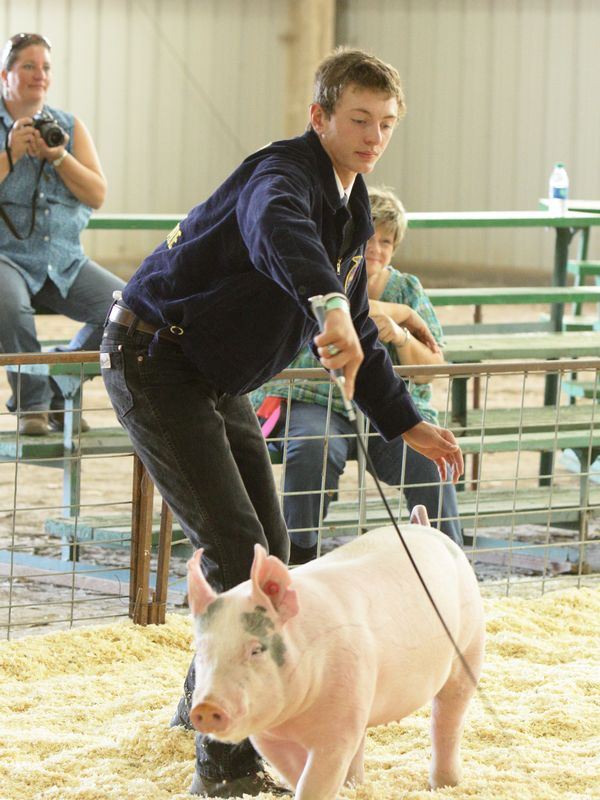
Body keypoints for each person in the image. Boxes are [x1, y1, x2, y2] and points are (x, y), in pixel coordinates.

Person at [100, 47, 464, 798]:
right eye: (358, 119)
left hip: (216, 377)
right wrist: (326, 302)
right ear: (319, 117)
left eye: (386, 124)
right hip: (154, 358)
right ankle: (224, 765)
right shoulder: (281, 176)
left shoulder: (353, 202)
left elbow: (356, 309)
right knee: (237, 548)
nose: (373, 136)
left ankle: (199, 702)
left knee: (273, 555)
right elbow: (280, 234)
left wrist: (402, 421)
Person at [252, 186, 462, 563]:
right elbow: (337, 309)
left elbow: (432, 368)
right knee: (312, 449)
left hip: (389, 405)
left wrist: (398, 330)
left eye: (386, 241)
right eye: (369, 238)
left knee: (430, 459)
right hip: (315, 399)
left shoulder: (407, 287)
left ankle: (449, 560)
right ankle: (296, 560)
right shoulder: (319, 273)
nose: (376, 249)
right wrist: (399, 312)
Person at [0, 32, 124, 435]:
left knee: (126, 311)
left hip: (63, 258)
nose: (40, 75)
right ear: (6, 75)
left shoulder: (67, 127)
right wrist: (11, 154)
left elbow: (97, 193)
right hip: (6, 257)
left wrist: (60, 156)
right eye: (29, 66)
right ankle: (33, 407)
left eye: (46, 67)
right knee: (11, 308)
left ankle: (58, 385)